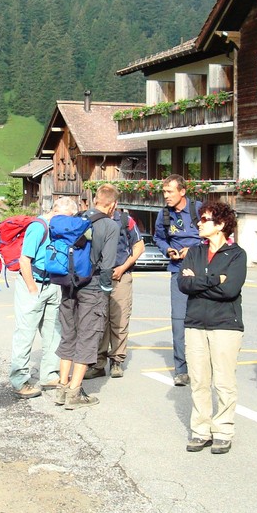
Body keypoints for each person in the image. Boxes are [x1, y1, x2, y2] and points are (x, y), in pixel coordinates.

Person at [177, 201, 247, 455]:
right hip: (195, 323)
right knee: (199, 380)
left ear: (220, 225)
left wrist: (197, 280)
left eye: (205, 219)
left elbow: (230, 290)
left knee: (224, 382)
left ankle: (223, 430)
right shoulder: (195, 251)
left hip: (225, 326)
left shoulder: (237, 254)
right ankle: (201, 430)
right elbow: (182, 284)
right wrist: (215, 279)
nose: (199, 223)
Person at [53, 184, 119, 409]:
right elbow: (108, 264)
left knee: (68, 334)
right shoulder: (110, 225)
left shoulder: (77, 218)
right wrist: (107, 289)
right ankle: (75, 394)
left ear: (94, 200)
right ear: (112, 205)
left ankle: (62, 388)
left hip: (69, 285)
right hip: (92, 287)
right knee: (88, 336)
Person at [9, 197, 74, 399]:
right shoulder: (38, 227)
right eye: (69, 218)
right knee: (25, 333)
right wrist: (31, 288)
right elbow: (24, 260)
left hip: (53, 283)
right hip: (34, 284)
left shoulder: (57, 227)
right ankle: (19, 380)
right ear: (58, 212)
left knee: (54, 332)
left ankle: (49, 374)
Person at [153, 175, 203, 387]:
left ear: (182, 191)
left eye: (170, 192)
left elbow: (214, 236)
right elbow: (159, 238)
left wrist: (192, 250)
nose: (166, 196)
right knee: (178, 321)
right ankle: (181, 370)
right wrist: (168, 250)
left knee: (203, 320)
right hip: (177, 272)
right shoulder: (164, 215)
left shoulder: (199, 209)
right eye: (164, 192)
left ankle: (202, 366)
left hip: (202, 271)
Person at [87, 206, 144, 379]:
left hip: (120, 276)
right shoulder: (90, 218)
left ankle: (117, 361)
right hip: (96, 277)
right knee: (99, 320)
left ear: (113, 204)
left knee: (119, 320)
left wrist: (122, 268)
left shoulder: (126, 220)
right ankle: (98, 363)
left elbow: (139, 247)